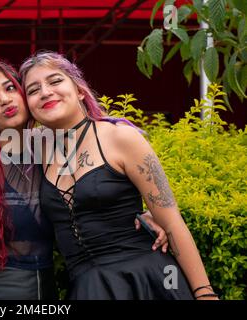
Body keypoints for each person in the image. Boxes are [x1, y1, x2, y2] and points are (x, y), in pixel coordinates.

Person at [0, 59, 169, 300]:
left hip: (44, 292)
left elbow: (91, 195)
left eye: (10, 88)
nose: (5, 99)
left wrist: (141, 214)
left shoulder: (47, 149)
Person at [15, 51, 218, 300]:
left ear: (79, 90)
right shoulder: (33, 148)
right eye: (33, 90)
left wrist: (204, 294)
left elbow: (172, 221)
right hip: (88, 288)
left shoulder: (120, 137)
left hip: (147, 279)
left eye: (55, 81)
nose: (45, 92)